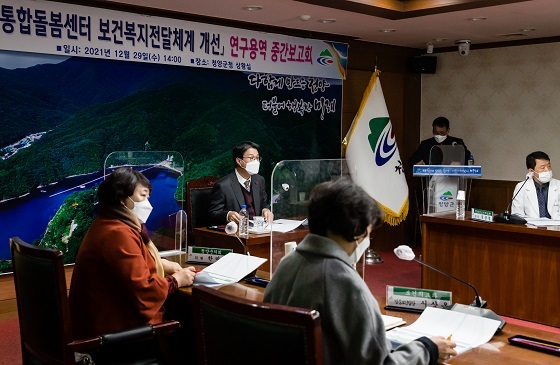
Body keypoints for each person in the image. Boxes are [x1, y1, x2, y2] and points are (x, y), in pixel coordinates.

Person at [263, 177, 456, 364]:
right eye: (369, 232)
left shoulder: (287, 264)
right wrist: (428, 349)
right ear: (357, 229)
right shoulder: (345, 282)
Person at [69, 167, 196, 362]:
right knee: (191, 323)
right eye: (143, 196)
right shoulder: (119, 234)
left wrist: (160, 263)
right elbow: (144, 291)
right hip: (115, 332)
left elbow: (128, 265)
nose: (148, 203)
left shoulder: (108, 222)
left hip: (101, 319)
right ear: (123, 199)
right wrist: (177, 280)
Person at [208, 141, 273, 225]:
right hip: (237, 232)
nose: (256, 162)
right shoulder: (223, 185)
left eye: (257, 158)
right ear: (239, 161)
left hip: (258, 230)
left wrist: (266, 210)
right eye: (251, 158)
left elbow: (264, 204)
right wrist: (228, 215)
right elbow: (212, 214)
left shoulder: (260, 180)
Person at [511, 151, 560, 219]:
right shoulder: (521, 187)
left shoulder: (558, 185)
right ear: (531, 171)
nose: (547, 170)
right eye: (543, 168)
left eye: (549, 166)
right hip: (530, 227)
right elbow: (517, 215)